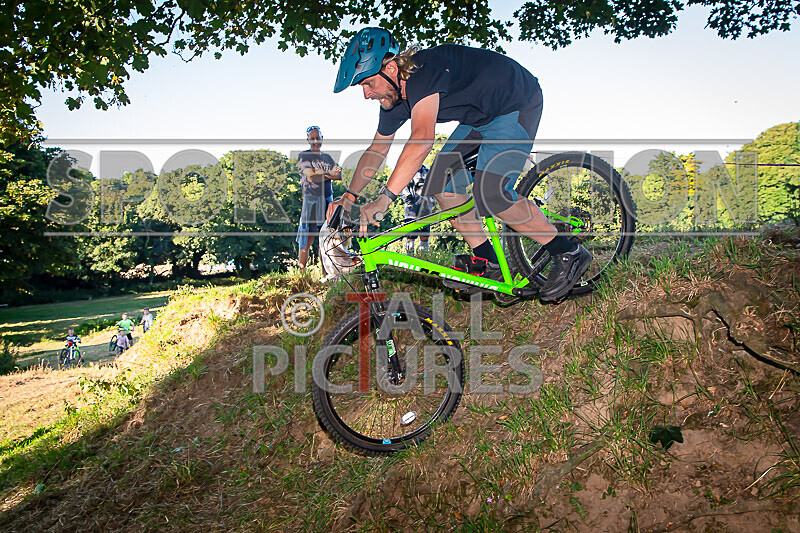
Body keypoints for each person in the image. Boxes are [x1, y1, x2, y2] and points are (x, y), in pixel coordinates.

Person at [331, 28, 592, 301]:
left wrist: (385, 199)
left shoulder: (424, 71)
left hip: (515, 101)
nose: (366, 94)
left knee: (491, 194)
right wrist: (348, 197)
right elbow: (377, 149)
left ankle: (567, 252)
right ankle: (491, 265)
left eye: (368, 83)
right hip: (479, 119)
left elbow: (422, 139)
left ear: (392, 68)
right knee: (439, 184)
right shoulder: (394, 100)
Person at [296, 125, 342, 269]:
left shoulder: (327, 157)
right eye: (312, 139)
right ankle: (302, 273)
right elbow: (311, 177)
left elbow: (339, 175)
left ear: (322, 138)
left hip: (328, 199)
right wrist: (329, 174)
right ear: (308, 140)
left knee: (326, 237)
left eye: (318, 138)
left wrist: (320, 172)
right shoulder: (304, 156)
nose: (315, 141)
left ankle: (325, 272)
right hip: (312, 200)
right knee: (307, 238)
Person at [400, 164, 435, 253]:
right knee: (411, 236)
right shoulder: (409, 172)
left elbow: (435, 187)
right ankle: (409, 257)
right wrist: (409, 200)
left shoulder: (428, 172)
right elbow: (403, 187)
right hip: (411, 210)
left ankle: (423, 257)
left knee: (425, 236)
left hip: (426, 209)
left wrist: (432, 200)